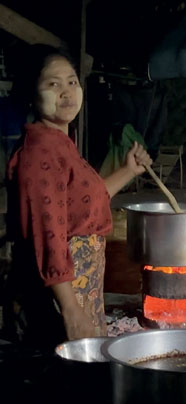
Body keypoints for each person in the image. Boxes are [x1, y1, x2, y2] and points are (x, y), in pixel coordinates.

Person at [4, 45, 152, 350]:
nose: (67, 92)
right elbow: (49, 235)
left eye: (72, 81)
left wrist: (128, 170)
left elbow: (86, 203)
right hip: (58, 296)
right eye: (52, 84)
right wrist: (71, 310)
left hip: (78, 290)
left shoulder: (60, 143)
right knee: (61, 385)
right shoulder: (40, 154)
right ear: (31, 94)